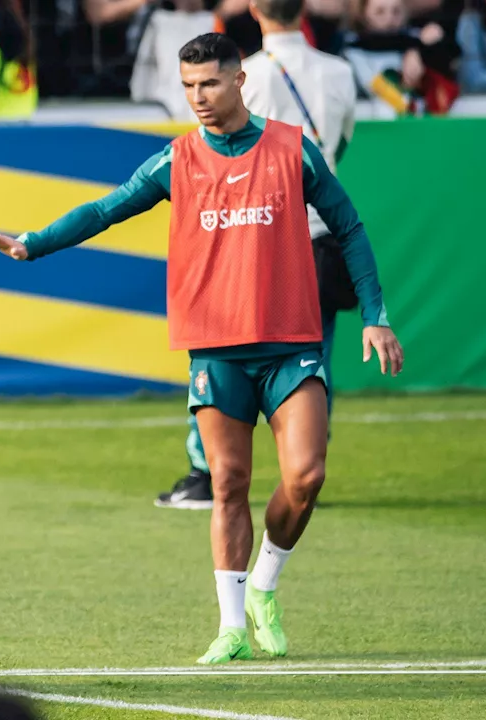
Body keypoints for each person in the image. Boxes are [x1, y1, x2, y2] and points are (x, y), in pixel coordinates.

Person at [0, 33, 404, 664]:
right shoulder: (176, 160)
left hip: (290, 344)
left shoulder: (291, 149)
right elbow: (108, 208)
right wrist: (34, 243)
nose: (198, 98)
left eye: (209, 84)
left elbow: (349, 226)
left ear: (239, 81)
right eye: (188, 86)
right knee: (228, 483)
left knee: (307, 476)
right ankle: (232, 628)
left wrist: (376, 315)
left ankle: (264, 585)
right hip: (217, 347)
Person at [156, 0, 358, 510]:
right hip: (318, 239)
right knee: (314, 363)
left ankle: (206, 471)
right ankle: (303, 471)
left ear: (252, 9)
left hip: (258, 235)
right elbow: (343, 143)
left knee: (220, 349)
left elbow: (229, 144)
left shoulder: (250, 76)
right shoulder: (340, 72)